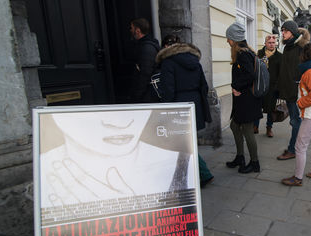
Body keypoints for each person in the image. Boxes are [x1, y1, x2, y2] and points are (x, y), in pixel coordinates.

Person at [40, 109, 196, 208]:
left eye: (136, 109)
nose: (120, 124)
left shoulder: (183, 164)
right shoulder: (42, 171)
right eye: (92, 112)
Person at [156, 34, 214, 187]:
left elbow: (168, 90)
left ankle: (204, 174)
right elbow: (204, 86)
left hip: (178, 107)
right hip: (195, 106)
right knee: (187, 142)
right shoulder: (195, 61)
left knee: (184, 144)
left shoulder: (168, 62)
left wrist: (165, 112)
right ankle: (189, 174)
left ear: (166, 47)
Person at [281, 43, 311, 186]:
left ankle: (298, 178)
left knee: (300, 146)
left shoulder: (310, 71)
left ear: (304, 55)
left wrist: (300, 103)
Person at [224, 22, 262, 173]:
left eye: (228, 38)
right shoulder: (248, 52)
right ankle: (240, 156)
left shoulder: (242, 54)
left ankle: (254, 163)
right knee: (234, 126)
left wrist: (236, 87)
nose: (227, 41)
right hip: (246, 99)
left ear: (233, 39)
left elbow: (250, 75)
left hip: (247, 99)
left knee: (247, 130)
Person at [276, 21, 311, 161]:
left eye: (285, 30)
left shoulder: (301, 48)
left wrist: (299, 85)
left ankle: (293, 149)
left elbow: (307, 70)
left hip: (297, 92)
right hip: (288, 91)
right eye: (282, 30)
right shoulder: (287, 48)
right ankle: (297, 147)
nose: (282, 33)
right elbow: (285, 71)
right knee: (296, 122)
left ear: (293, 32)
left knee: (296, 122)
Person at [254, 34, 282, 137]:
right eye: (269, 42)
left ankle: (269, 128)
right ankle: (255, 126)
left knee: (271, 109)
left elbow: (281, 73)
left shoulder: (280, 56)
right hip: (260, 85)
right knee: (257, 107)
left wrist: (278, 88)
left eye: (273, 43)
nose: (271, 44)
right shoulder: (259, 54)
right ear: (265, 43)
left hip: (272, 87)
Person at [129, 18, 160, 103]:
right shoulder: (142, 45)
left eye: (131, 28)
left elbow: (145, 73)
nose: (130, 30)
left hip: (147, 93)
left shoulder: (147, 48)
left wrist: (138, 94)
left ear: (138, 30)